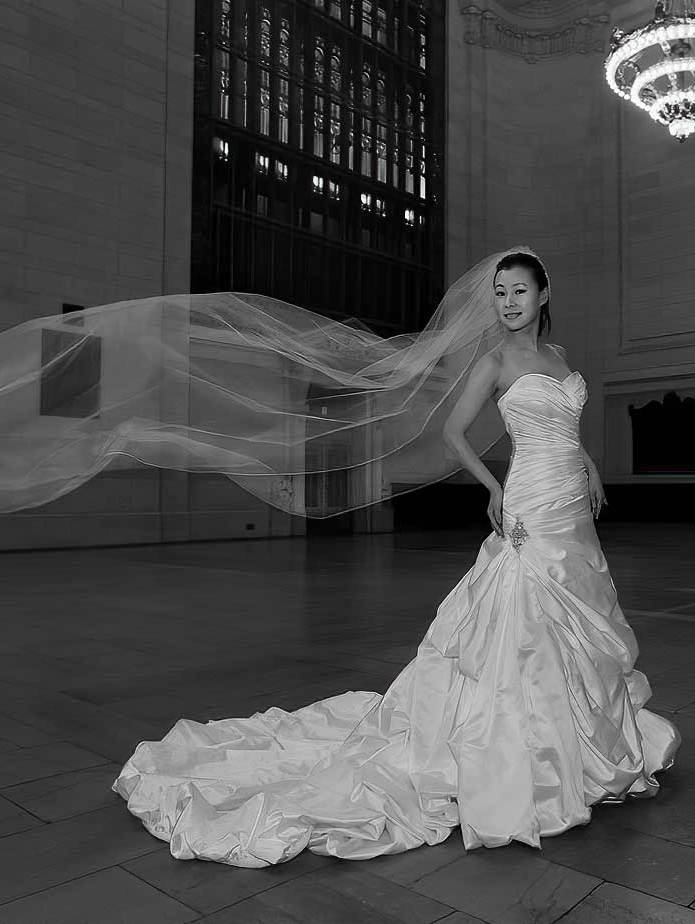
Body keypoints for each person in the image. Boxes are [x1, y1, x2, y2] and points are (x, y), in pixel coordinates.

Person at [111, 247, 681, 867]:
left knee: (579, 623)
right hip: (529, 505)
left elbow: (565, 429)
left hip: (572, 504)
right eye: (499, 293)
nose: (508, 302)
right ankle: (526, 758)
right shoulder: (495, 360)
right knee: (522, 626)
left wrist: (593, 466)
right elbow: (454, 434)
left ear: (544, 295)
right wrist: (492, 489)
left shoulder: (559, 358)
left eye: (518, 291)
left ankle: (581, 746)